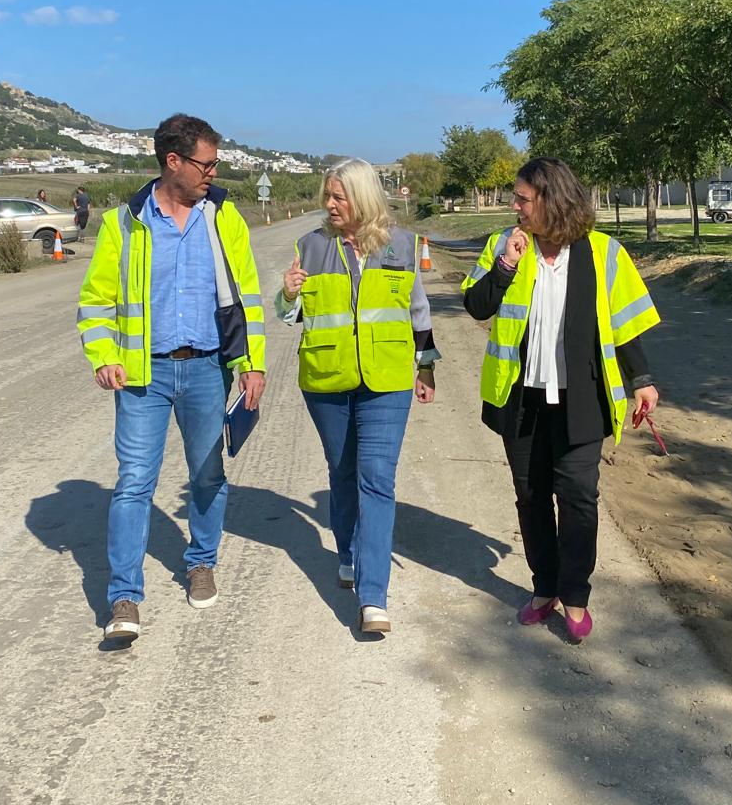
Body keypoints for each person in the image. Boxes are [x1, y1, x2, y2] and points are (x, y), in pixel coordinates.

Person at [77, 113, 267, 644]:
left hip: (208, 368)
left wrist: (251, 363)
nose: (212, 173)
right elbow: (95, 302)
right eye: (204, 164)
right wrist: (102, 355)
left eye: (215, 163)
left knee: (207, 476)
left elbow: (247, 298)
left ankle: (201, 561)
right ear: (172, 161)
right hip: (144, 375)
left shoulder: (224, 217)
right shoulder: (124, 224)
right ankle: (124, 595)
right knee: (134, 482)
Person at [462, 157, 661, 643]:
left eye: (522, 199)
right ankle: (544, 588)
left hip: (582, 400)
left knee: (577, 497)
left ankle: (575, 594)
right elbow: (476, 305)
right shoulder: (503, 245)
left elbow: (625, 324)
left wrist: (644, 380)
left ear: (552, 200)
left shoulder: (603, 253)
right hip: (521, 398)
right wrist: (506, 263)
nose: (515, 207)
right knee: (531, 498)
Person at [276, 158, 438, 635]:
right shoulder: (310, 246)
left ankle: (374, 597)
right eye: (327, 196)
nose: (329, 205)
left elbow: (418, 310)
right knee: (342, 471)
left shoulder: (404, 246)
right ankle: (345, 550)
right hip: (327, 380)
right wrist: (287, 296)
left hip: (386, 382)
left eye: (338, 197)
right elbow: (291, 319)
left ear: (363, 198)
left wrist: (426, 366)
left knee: (376, 479)